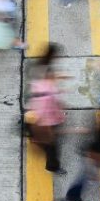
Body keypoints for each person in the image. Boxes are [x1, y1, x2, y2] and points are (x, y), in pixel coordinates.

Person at [26, 46, 67, 174]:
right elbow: (45, 111)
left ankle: (34, 137)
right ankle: (52, 167)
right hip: (46, 121)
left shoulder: (39, 83)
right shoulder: (47, 94)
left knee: (50, 139)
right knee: (52, 146)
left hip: (42, 114)